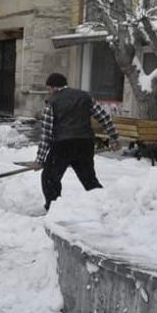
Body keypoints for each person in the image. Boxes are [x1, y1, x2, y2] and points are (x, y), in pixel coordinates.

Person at [35, 72, 120, 211]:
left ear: (54, 88)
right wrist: (114, 137)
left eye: (49, 89)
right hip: (84, 144)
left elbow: (46, 133)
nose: (48, 92)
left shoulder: (52, 102)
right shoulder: (85, 97)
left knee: (49, 178)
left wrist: (40, 159)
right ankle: (103, 206)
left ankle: (54, 209)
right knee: (88, 178)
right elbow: (104, 117)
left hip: (62, 146)